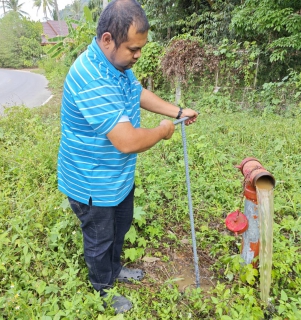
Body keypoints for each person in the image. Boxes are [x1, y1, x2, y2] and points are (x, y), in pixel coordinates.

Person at [57, 0, 198, 314]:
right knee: (100, 239)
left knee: (119, 228)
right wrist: (162, 131)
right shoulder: (92, 77)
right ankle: (103, 289)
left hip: (115, 177)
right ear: (108, 39)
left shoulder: (116, 66)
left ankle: (114, 269)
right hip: (91, 180)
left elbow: (138, 93)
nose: (138, 55)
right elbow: (127, 141)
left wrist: (176, 111)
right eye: (133, 49)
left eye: (140, 48)